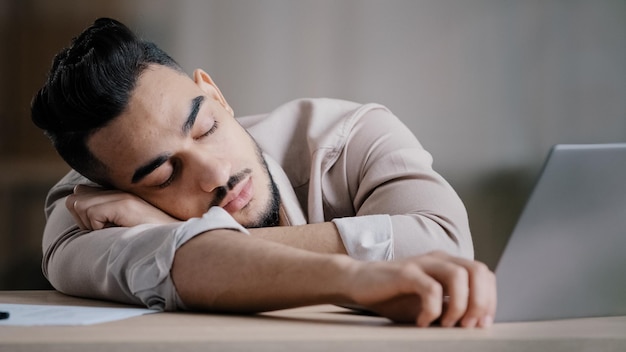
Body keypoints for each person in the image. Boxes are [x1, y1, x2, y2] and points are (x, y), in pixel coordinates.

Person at [31, 18, 496, 328]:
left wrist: (181, 230)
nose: (216, 172)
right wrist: (359, 278)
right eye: (163, 177)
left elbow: (444, 250)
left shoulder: (348, 136)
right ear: (107, 186)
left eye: (206, 127)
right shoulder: (83, 215)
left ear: (215, 93)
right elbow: (176, 269)